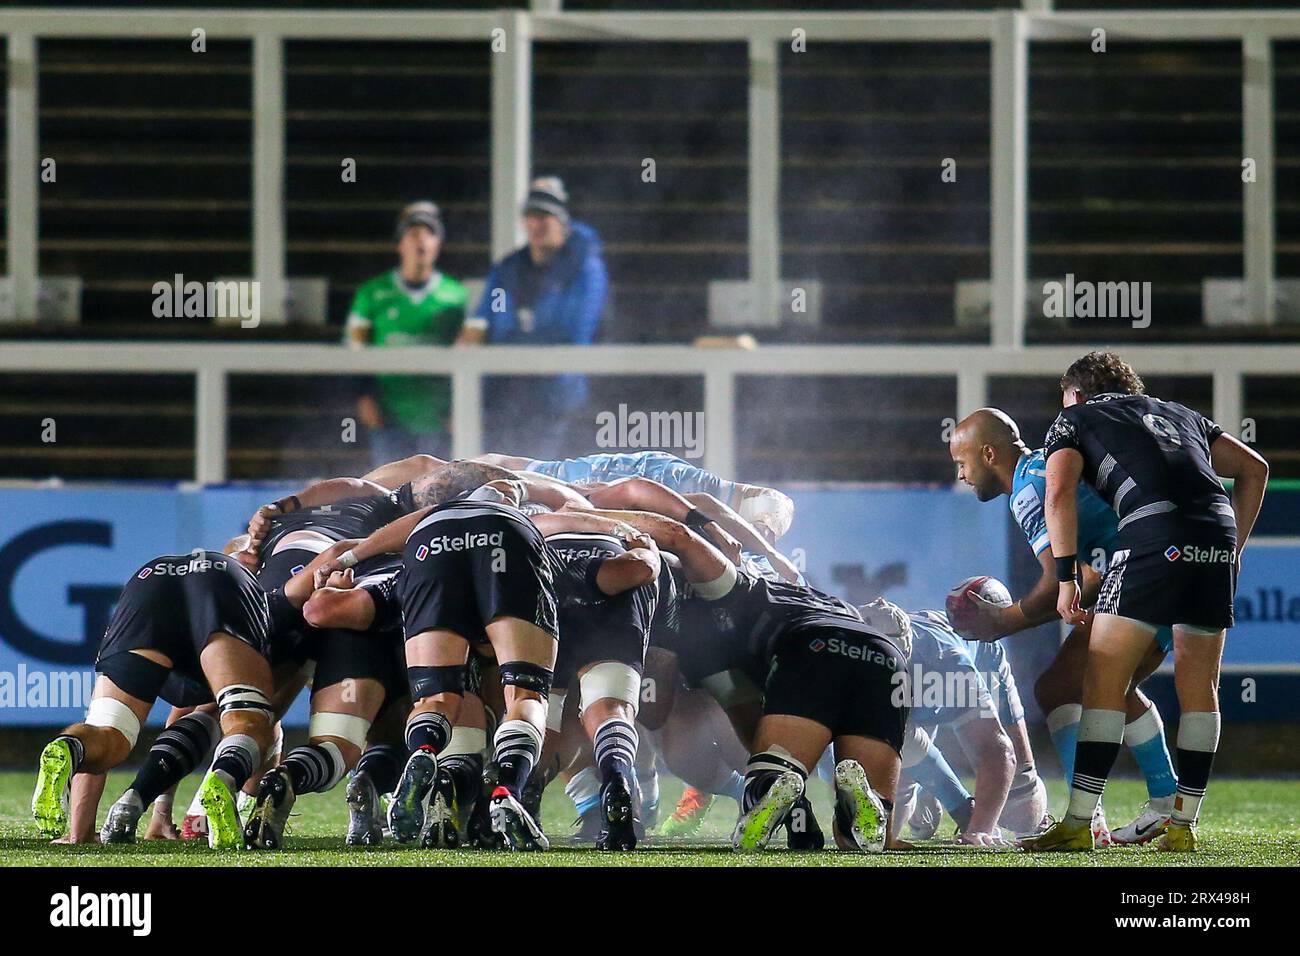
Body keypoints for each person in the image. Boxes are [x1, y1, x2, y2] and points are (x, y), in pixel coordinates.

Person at [1022, 351, 1268, 853]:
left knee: (1103, 676)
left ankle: (1076, 823)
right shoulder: (1182, 413)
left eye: (1063, 397)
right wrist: (1233, 550)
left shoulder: (1074, 417)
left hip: (1153, 534)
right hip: (1214, 537)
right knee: (1201, 683)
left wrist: (1067, 579)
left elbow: (1058, 490)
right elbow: (1255, 469)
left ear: (1078, 392)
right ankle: (1182, 826)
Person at [949, 407, 1179, 844]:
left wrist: (1005, 620)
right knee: (1115, 686)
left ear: (989, 454)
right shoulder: (1042, 466)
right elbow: (1086, 578)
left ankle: (1088, 819)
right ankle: (1164, 804)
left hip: (1142, 578)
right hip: (1161, 567)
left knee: (1058, 689)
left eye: (962, 463)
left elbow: (1067, 579)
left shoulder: (1028, 490)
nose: (961, 475)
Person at [458, 177, 609, 456]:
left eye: (545, 216)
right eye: (530, 216)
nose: (536, 224)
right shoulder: (508, 269)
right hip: (507, 394)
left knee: (545, 476)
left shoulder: (585, 270)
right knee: (501, 473)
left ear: (561, 221)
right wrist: (472, 338)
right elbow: (486, 317)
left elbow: (576, 330)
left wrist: (517, 338)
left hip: (556, 397)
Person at [345, 201, 467, 466]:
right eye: (413, 234)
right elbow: (353, 348)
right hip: (389, 415)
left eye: (429, 234)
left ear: (438, 244)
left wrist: (458, 407)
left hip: (438, 418)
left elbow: (468, 351)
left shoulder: (455, 296)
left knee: (439, 491)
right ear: (400, 243)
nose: (420, 241)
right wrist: (362, 395)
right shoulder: (372, 293)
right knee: (391, 494)